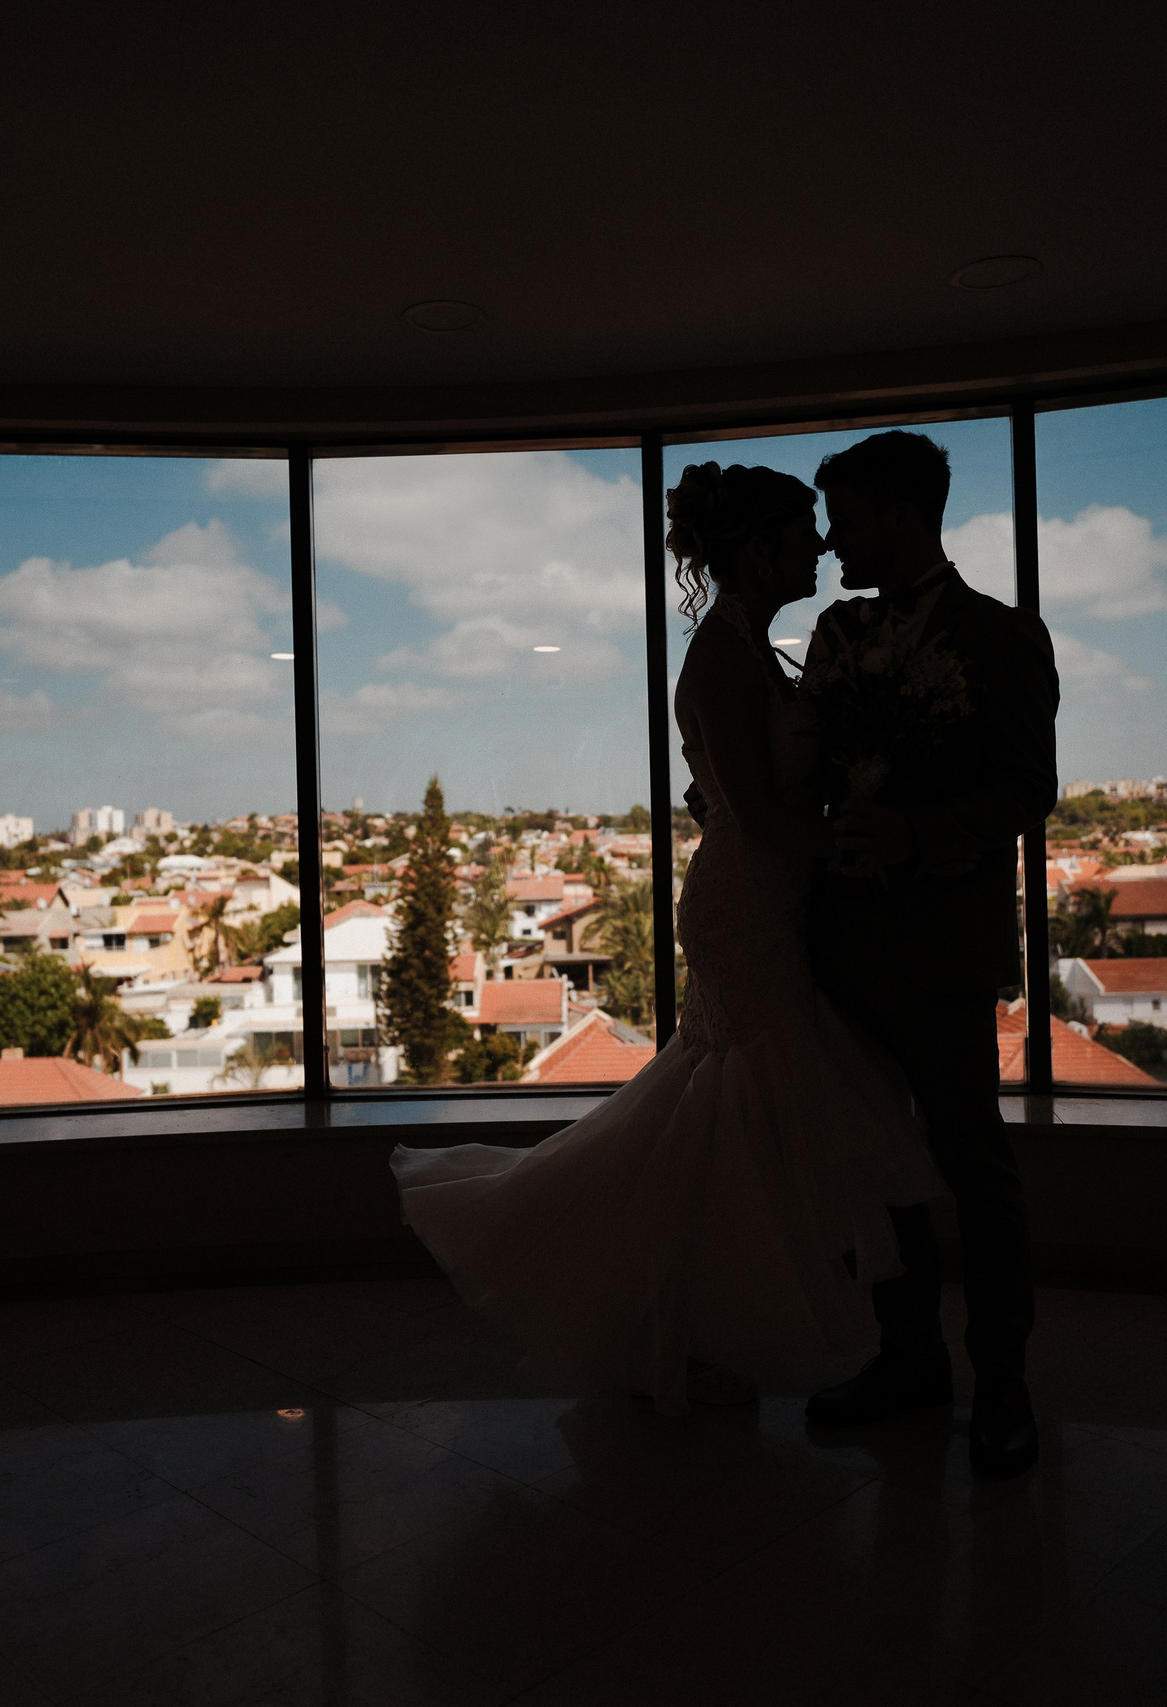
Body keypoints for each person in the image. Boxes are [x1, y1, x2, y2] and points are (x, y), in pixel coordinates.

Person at [389, 463, 944, 1416]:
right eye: (802, 532)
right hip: (747, 910)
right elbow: (761, 816)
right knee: (760, 1113)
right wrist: (866, 844)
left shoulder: (750, 651)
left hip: (766, 902)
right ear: (760, 548)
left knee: (729, 1122)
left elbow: (728, 792)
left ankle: (696, 1325)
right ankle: (712, 1323)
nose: (818, 548)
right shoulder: (725, 660)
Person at [799, 430, 1060, 1478]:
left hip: (944, 946)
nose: (830, 541)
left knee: (970, 1167)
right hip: (841, 943)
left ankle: (1002, 1380)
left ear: (903, 517)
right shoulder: (832, 632)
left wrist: (919, 834)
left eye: (847, 520)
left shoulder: (1002, 638)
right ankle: (906, 1357)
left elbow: (1026, 791)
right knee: (875, 1166)